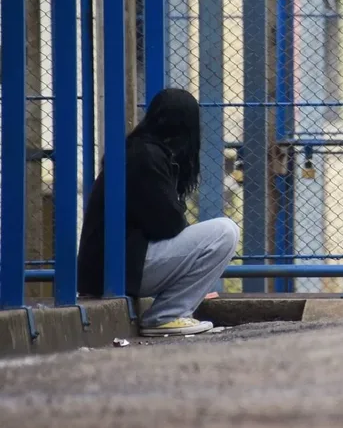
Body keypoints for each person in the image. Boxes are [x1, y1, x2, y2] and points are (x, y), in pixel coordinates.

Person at [77, 88, 239, 337]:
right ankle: (166, 316)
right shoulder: (146, 156)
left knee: (219, 232)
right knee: (225, 231)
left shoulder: (141, 150)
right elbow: (168, 226)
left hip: (109, 268)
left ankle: (170, 311)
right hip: (119, 268)